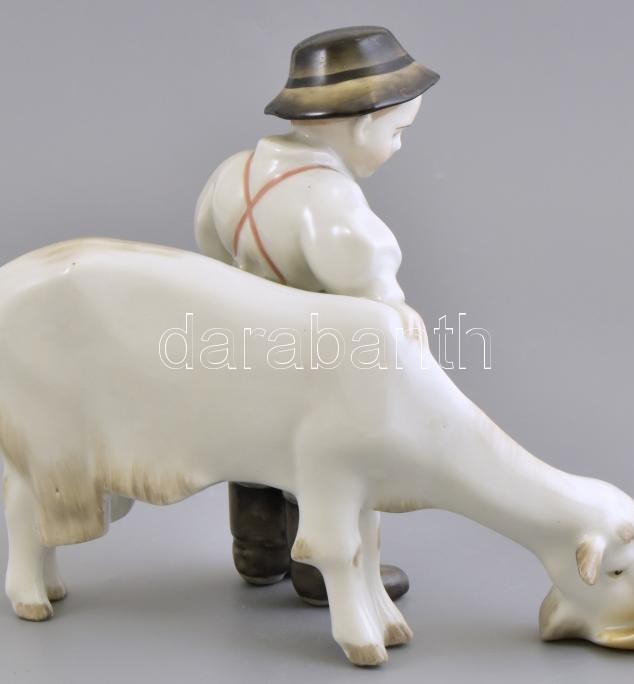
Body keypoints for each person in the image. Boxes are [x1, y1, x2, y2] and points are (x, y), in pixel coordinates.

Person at [193, 25, 439, 605]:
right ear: (362, 122)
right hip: (311, 364)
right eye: (398, 132)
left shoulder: (231, 174)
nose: (399, 146)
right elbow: (375, 302)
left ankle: (257, 551)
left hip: (241, 353)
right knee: (319, 462)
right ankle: (320, 572)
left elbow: (208, 260)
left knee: (250, 450)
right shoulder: (332, 202)